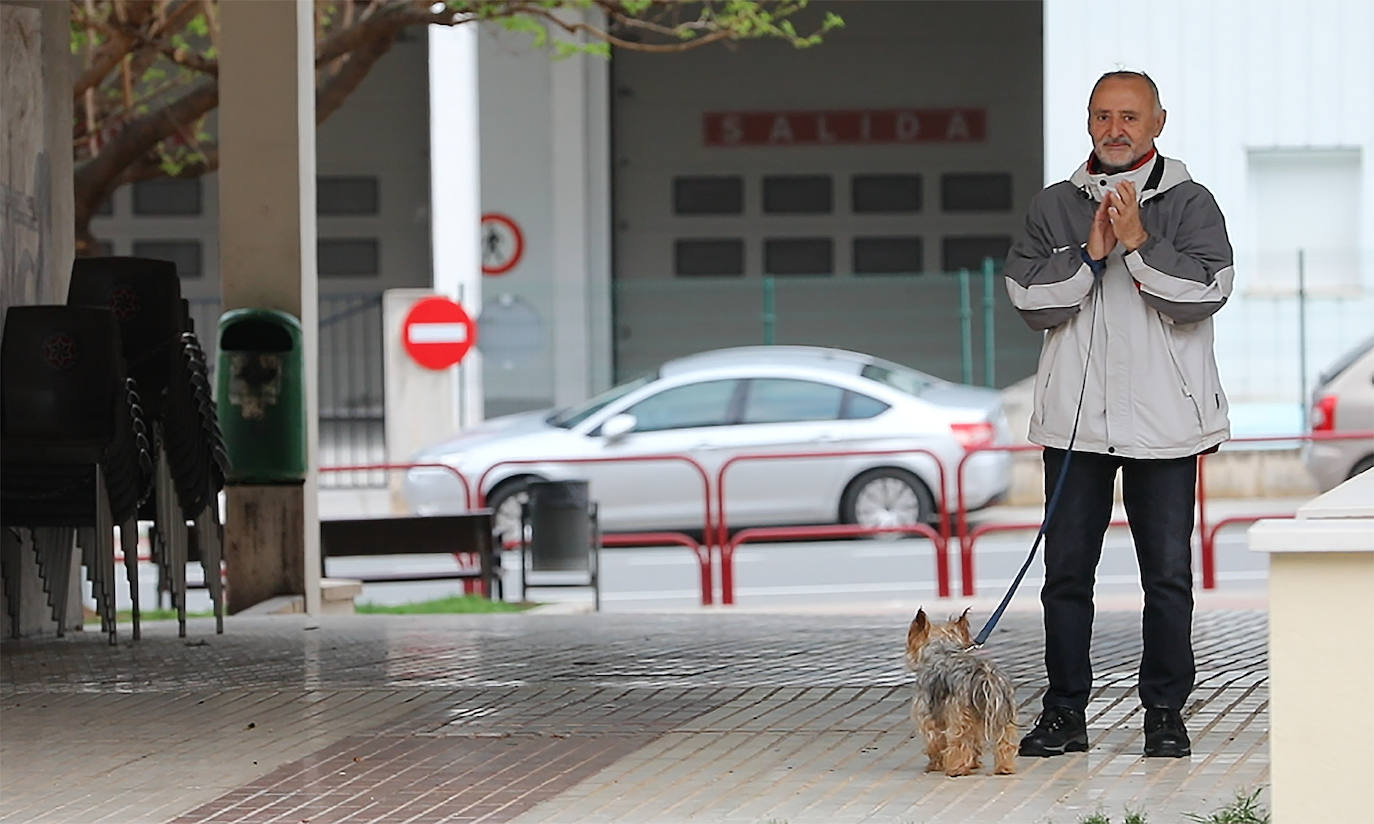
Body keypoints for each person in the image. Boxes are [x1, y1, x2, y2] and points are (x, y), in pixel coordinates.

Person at [1004, 70, 1235, 759]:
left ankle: (1165, 713)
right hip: (1075, 425)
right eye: (1103, 115)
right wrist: (1089, 254)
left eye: (1130, 116)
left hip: (1167, 427)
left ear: (1158, 121)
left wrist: (1138, 242)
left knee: (1167, 577)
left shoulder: (1191, 204)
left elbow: (1204, 292)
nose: (1116, 128)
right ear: (1088, 123)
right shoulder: (1055, 206)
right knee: (1066, 577)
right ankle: (1064, 716)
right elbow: (1028, 300)